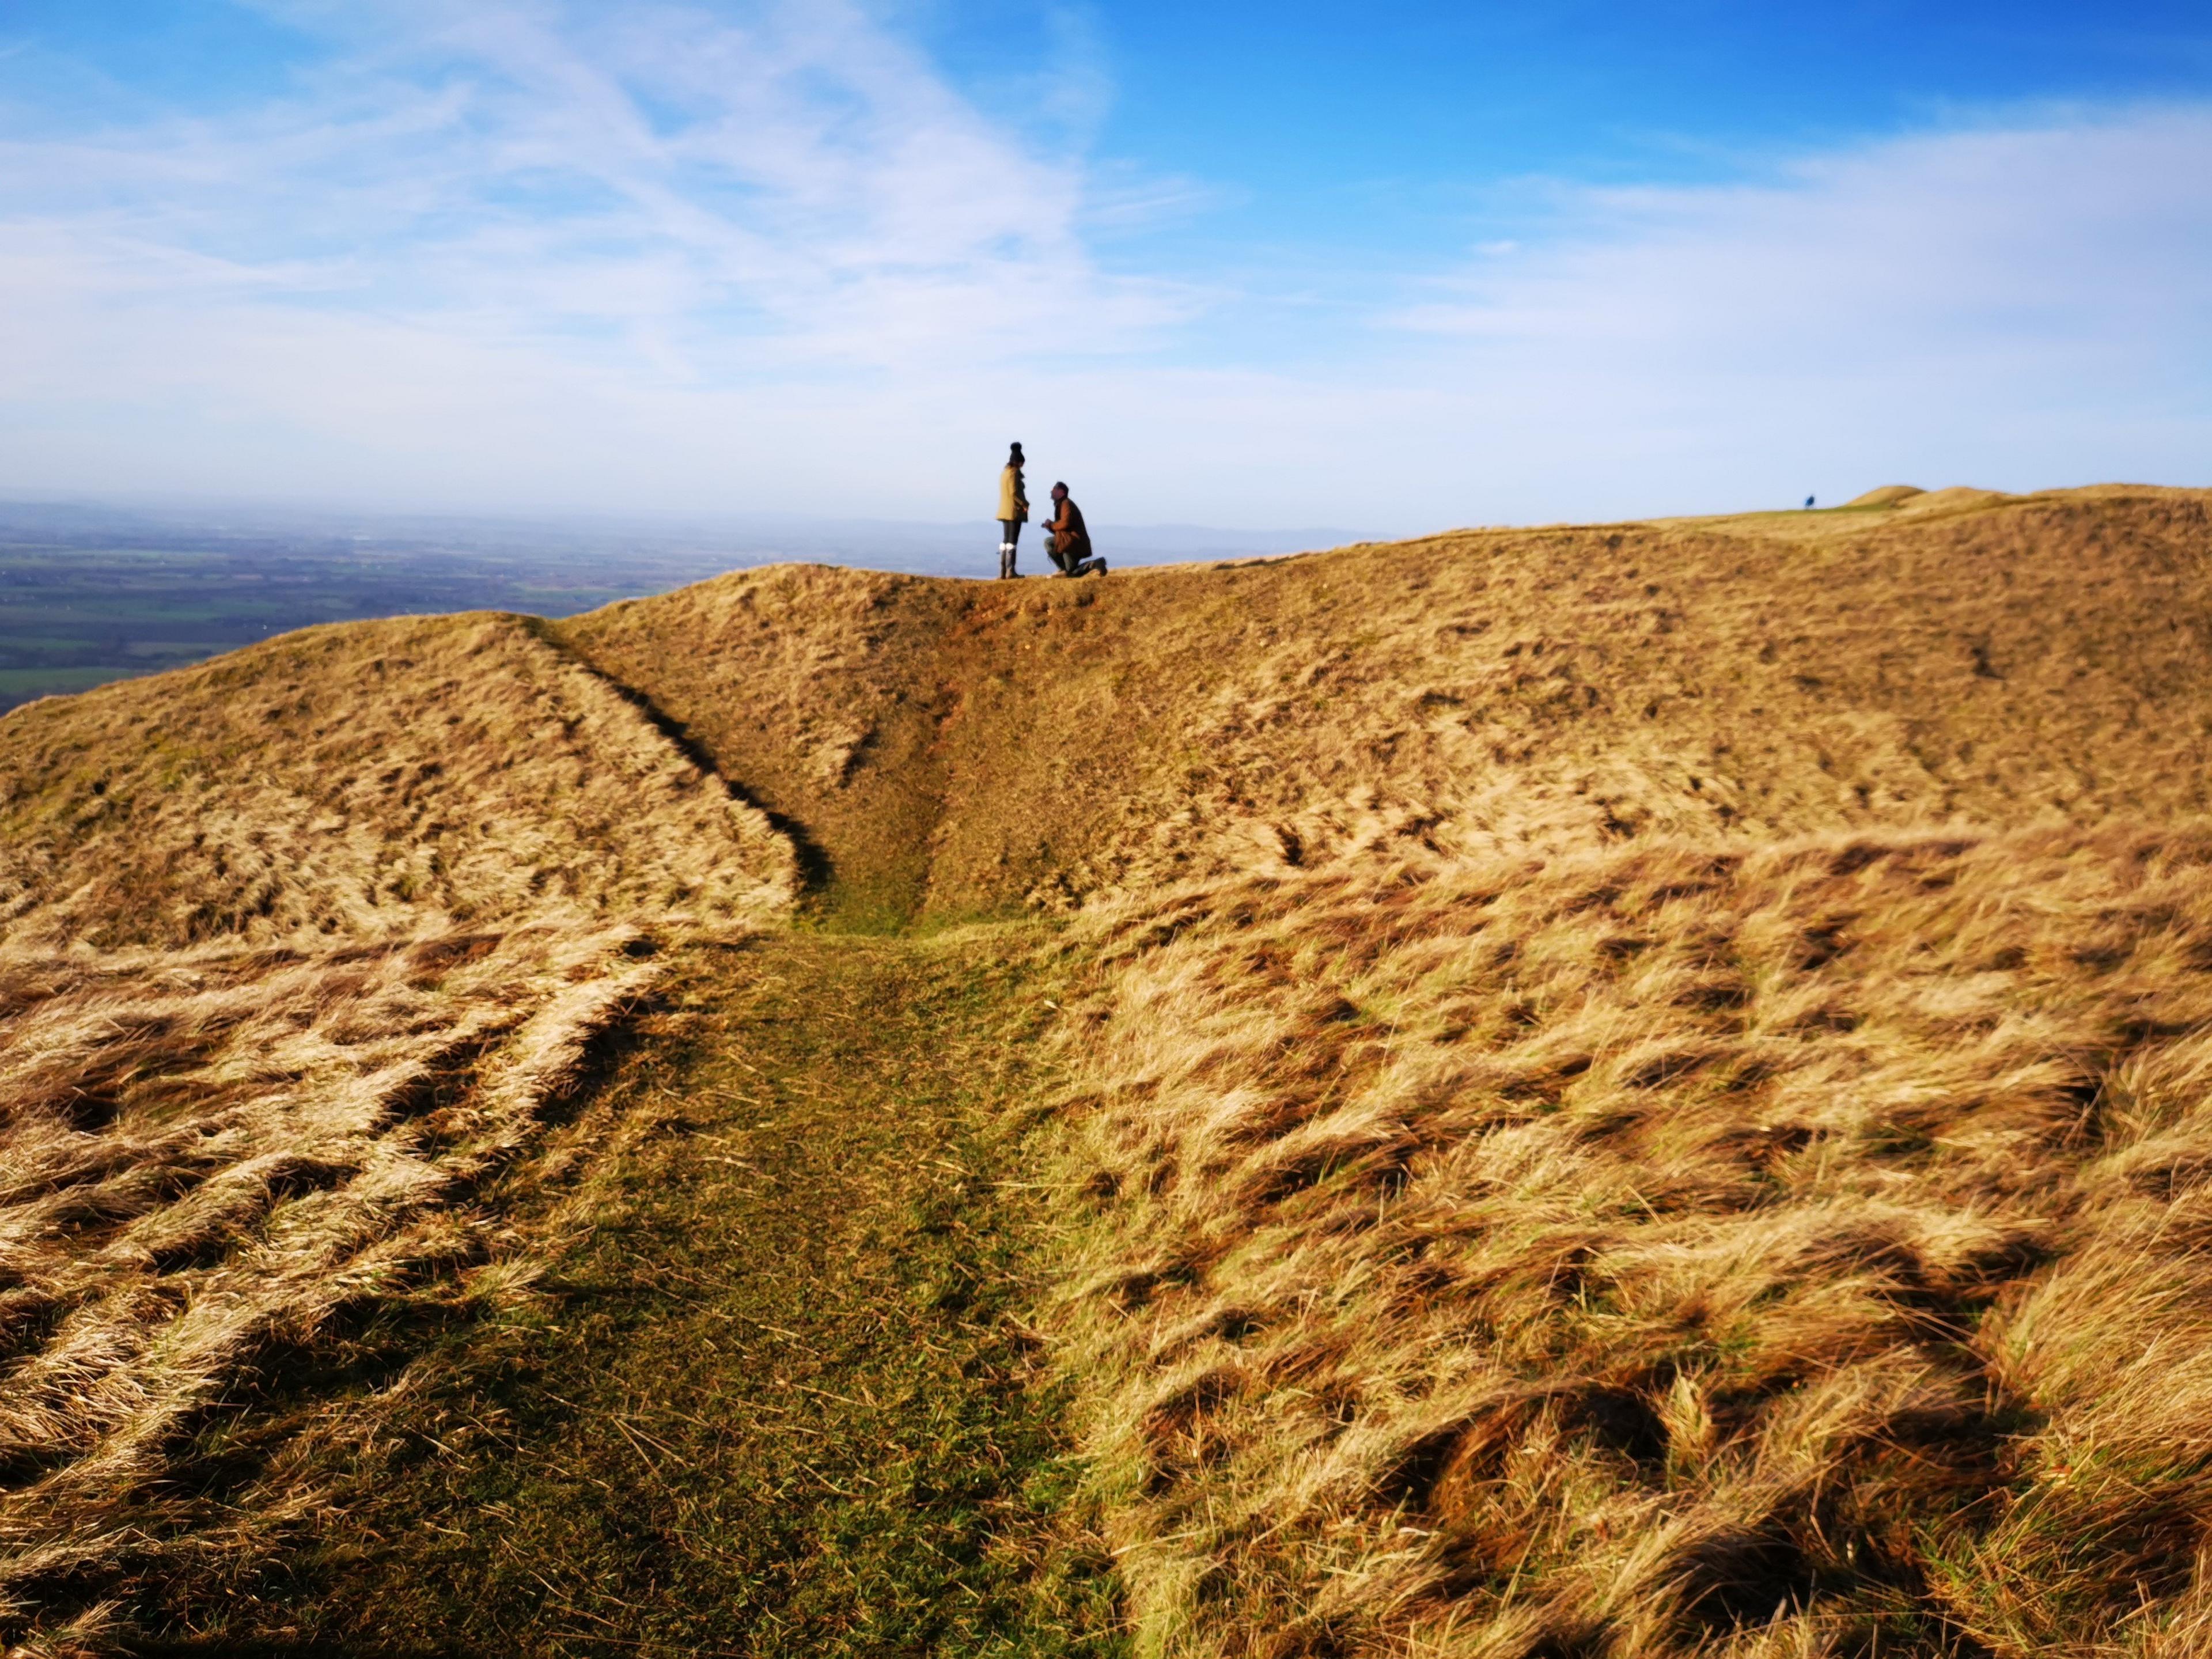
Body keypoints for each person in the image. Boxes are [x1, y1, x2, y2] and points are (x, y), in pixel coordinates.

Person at [1044, 482, 1106, 577]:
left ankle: (1096, 563)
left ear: (1061, 492)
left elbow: (1065, 523)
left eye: (1054, 489)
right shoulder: (1061, 505)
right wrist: (1050, 526)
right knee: (1049, 542)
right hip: (1068, 541)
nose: (1051, 491)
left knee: (1071, 573)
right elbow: (1061, 528)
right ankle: (1064, 570)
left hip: (1072, 543)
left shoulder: (1066, 504)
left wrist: (1051, 525)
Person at [997, 444, 1028, 578]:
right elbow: (1014, 492)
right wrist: (1024, 504)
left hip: (1004, 511)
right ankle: (1010, 571)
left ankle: (1003, 571)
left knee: (1005, 541)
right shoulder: (1014, 473)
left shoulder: (1005, 473)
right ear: (1019, 462)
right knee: (1012, 541)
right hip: (1014, 511)